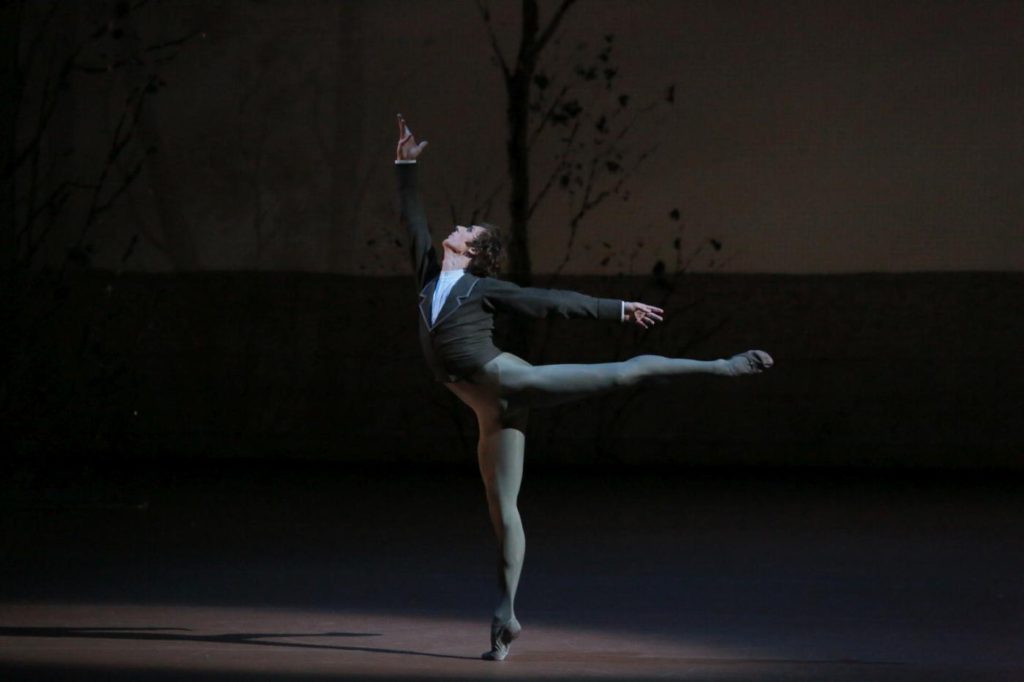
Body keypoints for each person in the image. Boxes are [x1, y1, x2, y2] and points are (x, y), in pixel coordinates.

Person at [394, 114, 773, 661]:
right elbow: (411, 220)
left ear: (475, 251)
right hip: (486, 407)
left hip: (510, 379)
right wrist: (405, 164)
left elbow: (548, 300)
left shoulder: (483, 286)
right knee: (503, 510)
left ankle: (722, 366)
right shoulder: (428, 275)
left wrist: (616, 308)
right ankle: (506, 618)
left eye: (468, 229)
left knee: (623, 373)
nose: (457, 228)